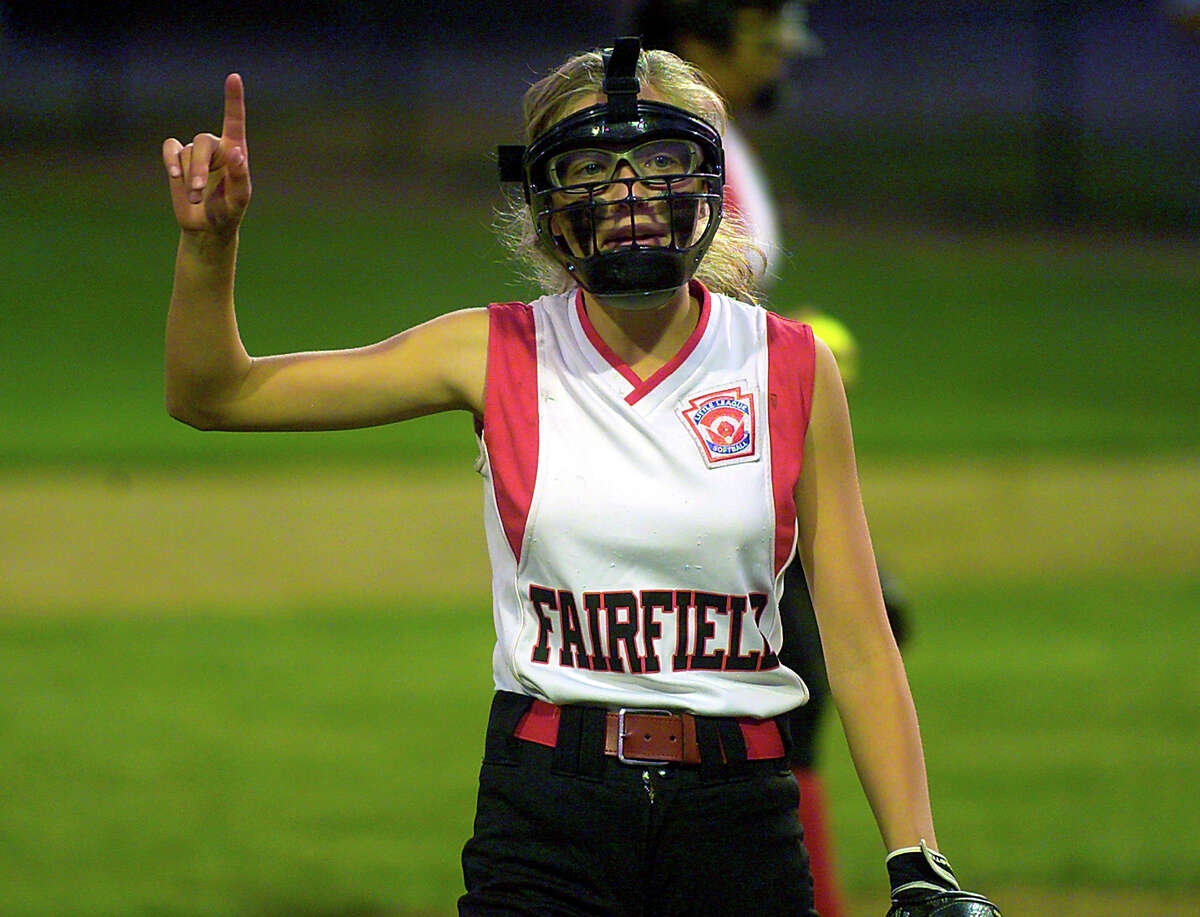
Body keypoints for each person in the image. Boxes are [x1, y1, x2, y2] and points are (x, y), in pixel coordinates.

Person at [161, 37, 1000, 917]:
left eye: (659, 162)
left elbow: (859, 641)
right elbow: (214, 394)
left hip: (740, 813)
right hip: (547, 810)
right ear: (547, 198)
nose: (629, 196)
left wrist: (918, 862)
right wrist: (210, 247)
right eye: (593, 169)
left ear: (707, 181)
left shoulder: (789, 364)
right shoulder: (495, 350)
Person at [634, 5, 913, 914]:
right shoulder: (671, 154)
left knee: (800, 687)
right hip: (706, 464)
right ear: (701, 44)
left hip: (730, 454)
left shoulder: (713, 143)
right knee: (781, 697)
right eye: (761, 42)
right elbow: (681, 318)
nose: (778, 61)